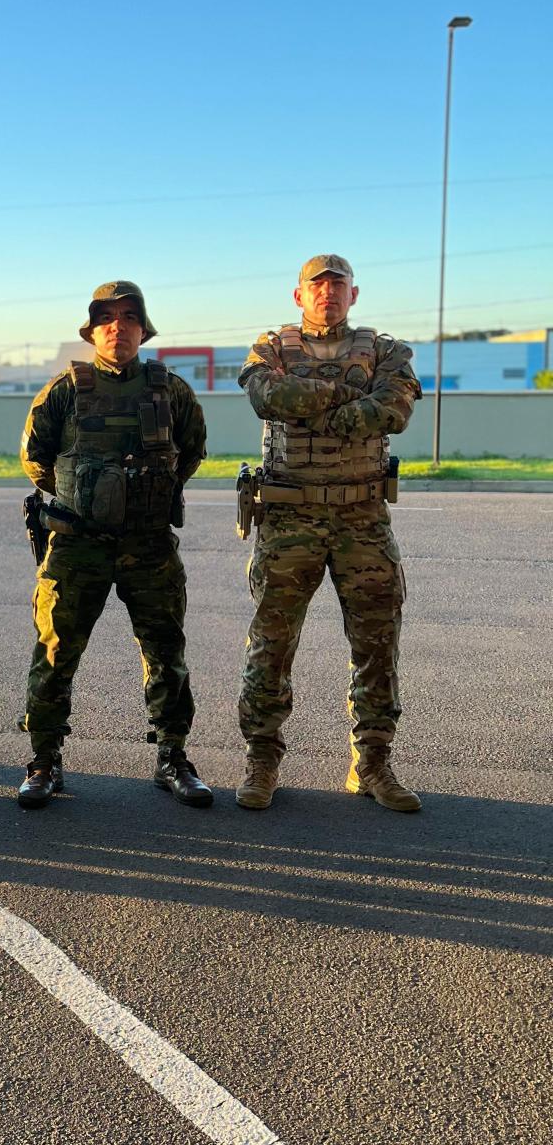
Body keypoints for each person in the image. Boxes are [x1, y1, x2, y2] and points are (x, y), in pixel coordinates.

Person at [236, 253, 422, 812]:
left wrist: (313, 404)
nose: (328, 293)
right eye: (317, 286)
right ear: (300, 295)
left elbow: (395, 410)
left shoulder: (387, 350)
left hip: (362, 517)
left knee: (377, 642)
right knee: (272, 643)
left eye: (338, 285)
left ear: (353, 294)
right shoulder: (271, 347)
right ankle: (262, 759)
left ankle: (373, 763)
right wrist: (348, 397)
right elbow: (267, 397)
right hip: (288, 519)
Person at [17, 281, 211, 809]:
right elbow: (35, 457)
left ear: (143, 330)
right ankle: (44, 760)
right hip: (78, 545)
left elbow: (192, 451)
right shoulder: (63, 390)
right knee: (55, 651)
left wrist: (141, 498)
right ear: (92, 330)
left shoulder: (170, 390)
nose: (117, 327)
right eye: (106, 318)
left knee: (165, 651)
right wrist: (89, 498)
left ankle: (173, 757)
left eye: (128, 317)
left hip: (149, 545)